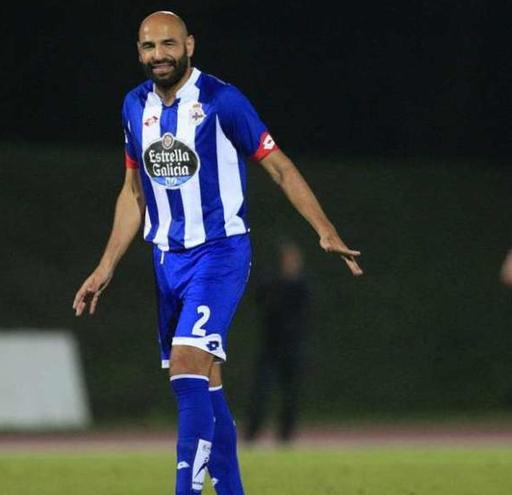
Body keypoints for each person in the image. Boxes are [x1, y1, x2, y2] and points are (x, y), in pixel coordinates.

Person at [72, 11, 362, 495]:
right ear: (138, 52)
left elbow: (281, 168)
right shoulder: (133, 105)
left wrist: (324, 229)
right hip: (167, 259)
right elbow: (133, 193)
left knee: (187, 363)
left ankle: (185, 489)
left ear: (190, 45)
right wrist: (106, 265)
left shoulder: (222, 101)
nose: (158, 55)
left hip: (220, 252)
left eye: (168, 44)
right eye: (148, 47)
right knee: (207, 383)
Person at [245, 240, 311, 444]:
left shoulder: (303, 284)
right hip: (270, 347)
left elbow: (306, 314)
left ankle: (286, 435)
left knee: (291, 393)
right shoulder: (270, 281)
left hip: (292, 349)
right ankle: (252, 434)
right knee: (261, 391)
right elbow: (262, 304)